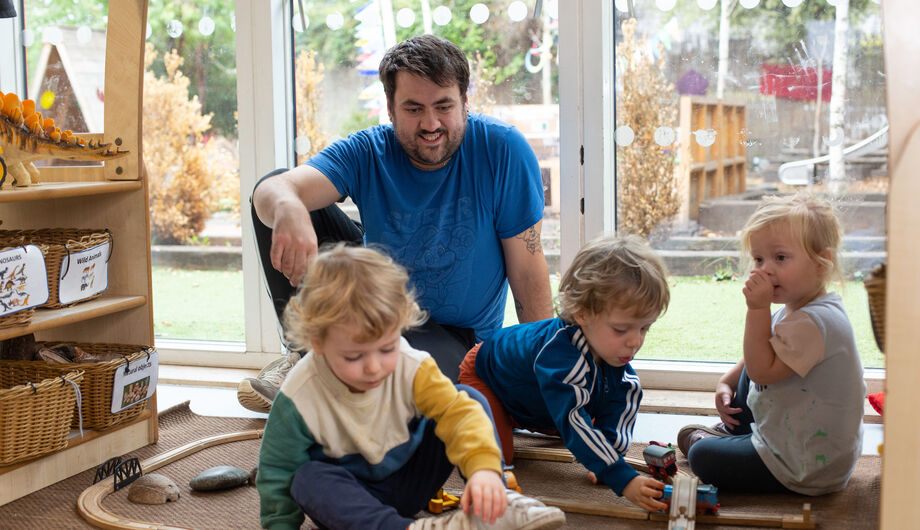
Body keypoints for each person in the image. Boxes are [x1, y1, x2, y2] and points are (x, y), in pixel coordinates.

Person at [238, 34, 552, 412]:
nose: (431, 123)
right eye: (414, 108)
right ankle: (305, 354)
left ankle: (328, 376)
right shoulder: (368, 149)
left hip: (456, 336)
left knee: (410, 393)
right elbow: (271, 190)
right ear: (390, 108)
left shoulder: (502, 150)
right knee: (277, 195)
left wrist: (545, 372)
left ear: (465, 103)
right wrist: (289, 208)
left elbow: (528, 273)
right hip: (374, 306)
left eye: (444, 106)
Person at [256, 244, 565, 530]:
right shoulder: (300, 392)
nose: (374, 367)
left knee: (467, 399)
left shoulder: (411, 364)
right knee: (305, 478)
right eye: (354, 356)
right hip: (351, 498)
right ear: (317, 343)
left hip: (411, 476)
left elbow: (458, 414)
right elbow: (276, 468)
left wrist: (484, 469)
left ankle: (496, 501)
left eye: (387, 348)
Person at [458, 234, 671, 512]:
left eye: (645, 328)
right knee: (497, 459)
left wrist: (610, 457)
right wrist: (624, 479)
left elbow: (624, 400)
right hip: (486, 377)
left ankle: (515, 418)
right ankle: (491, 418)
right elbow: (572, 420)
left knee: (590, 420)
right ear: (581, 313)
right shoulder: (559, 354)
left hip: (534, 393)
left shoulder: (614, 357)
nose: (635, 341)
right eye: (621, 330)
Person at [677, 193, 865, 495]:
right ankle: (732, 435)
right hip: (791, 433)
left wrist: (756, 310)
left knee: (701, 457)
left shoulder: (812, 324)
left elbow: (762, 372)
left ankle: (716, 442)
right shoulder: (796, 309)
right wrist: (725, 383)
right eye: (759, 259)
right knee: (758, 354)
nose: (765, 269)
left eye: (780, 258)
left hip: (806, 465)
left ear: (821, 263)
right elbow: (754, 360)